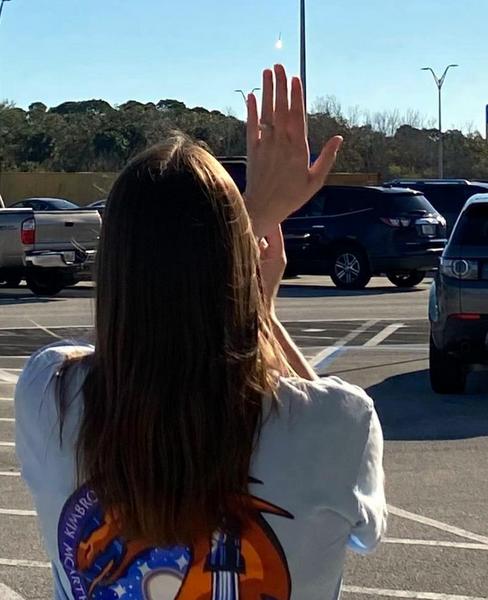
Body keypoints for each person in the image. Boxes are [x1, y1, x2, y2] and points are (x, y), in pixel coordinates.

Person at [15, 65, 386, 600]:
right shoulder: (336, 425)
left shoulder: (48, 397)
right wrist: (258, 301)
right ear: (239, 276)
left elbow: (146, 334)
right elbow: (365, 534)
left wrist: (245, 227)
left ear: (112, 272)